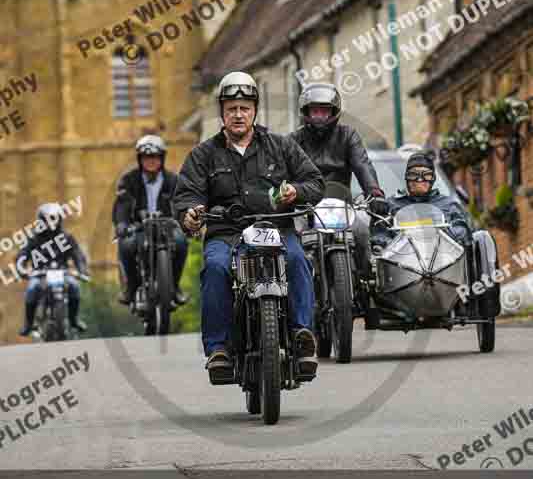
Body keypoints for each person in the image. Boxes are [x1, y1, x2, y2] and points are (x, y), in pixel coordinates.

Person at [173, 71, 325, 382]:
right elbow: (186, 195)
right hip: (226, 233)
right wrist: (189, 215)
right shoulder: (203, 155)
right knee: (214, 268)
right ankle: (219, 349)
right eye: (231, 109)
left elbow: (315, 181)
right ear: (222, 113)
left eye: (244, 108)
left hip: (277, 228)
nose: (238, 114)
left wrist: (297, 192)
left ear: (255, 110)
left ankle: (302, 335)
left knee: (297, 260)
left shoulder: (281, 147)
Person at [290, 82, 389, 274]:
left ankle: (365, 281)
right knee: (292, 244)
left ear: (333, 112)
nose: (319, 117)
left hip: (341, 207)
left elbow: (362, 165)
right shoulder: (293, 140)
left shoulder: (348, 135)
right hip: (304, 209)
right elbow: (282, 174)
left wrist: (375, 193)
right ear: (305, 112)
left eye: (324, 112)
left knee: (361, 233)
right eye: (314, 111)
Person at [112, 135, 189, 306]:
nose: (151, 161)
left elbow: (182, 205)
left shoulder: (173, 180)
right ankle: (131, 287)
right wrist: (122, 224)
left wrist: (186, 222)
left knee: (181, 242)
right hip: (138, 228)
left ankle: (175, 287)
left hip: (167, 227)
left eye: (155, 157)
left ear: (162, 158)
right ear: (140, 159)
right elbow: (122, 205)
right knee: (125, 245)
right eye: (147, 157)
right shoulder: (128, 180)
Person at [370, 151, 474, 249]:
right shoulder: (390, 205)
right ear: (406, 177)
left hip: (443, 260)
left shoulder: (450, 204)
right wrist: (390, 244)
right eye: (413, 175)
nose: (419, 179)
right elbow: (379, 235)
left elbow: (463, 230)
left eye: (426, 175)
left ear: (433, 179)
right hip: (401, 262)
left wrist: (446, 235)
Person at [16, 203, 89, 336]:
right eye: (48, 219)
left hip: (63, 272)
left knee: (74, 286)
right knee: (32, 289)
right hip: (40, 274)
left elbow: (78, 255)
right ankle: (28, 324)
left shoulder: (67, 237)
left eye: (54, 218)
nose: (51, 223)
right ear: (41, 220)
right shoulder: (34, 238)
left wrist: (82, 271)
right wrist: (21, 269)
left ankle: (74, 320)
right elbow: (22, 255)